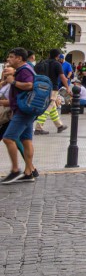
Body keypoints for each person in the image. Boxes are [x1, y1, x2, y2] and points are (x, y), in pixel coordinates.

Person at [2, 48, 39, 184]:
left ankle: (15, 170)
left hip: (23, 111)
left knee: (8, 138)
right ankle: (29, 172)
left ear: (19, 58)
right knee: (26, 140)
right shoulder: (24, 69)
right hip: (26, 110)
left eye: (11, 57)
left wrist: (13, 82)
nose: (8, 59)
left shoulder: (24, 70)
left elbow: (29, 85)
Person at [33, 49, 69, 134]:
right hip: (53, 88)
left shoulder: (43, 62)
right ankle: (38, 128)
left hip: (42, 87)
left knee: (52, 107)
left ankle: (59, 126)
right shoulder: (57, 64)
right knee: (47, 108)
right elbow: (62, 77)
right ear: (57, 56)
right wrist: (67, 88)